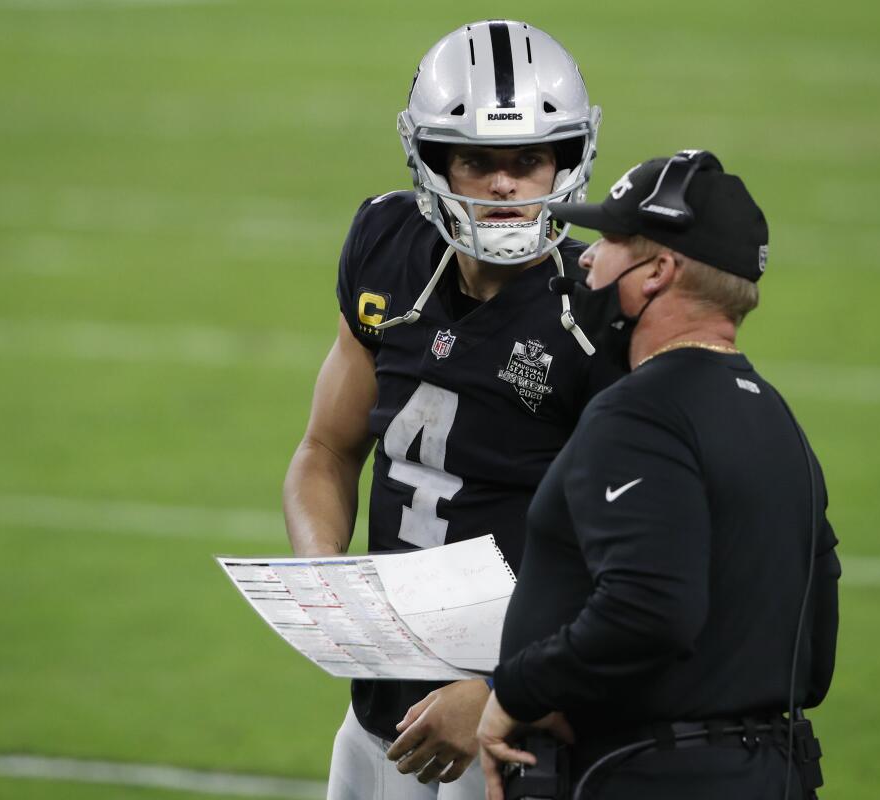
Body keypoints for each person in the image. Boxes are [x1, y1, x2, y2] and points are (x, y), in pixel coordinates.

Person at [282, 20, 616, 800]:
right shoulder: (386, 244)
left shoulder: (597, 312)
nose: (504, 185)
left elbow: (629, 571)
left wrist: (507, 688)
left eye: (529, 160)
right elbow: (325, 451)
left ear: (567, 160)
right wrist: (323, 576)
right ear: (431, 159)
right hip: (379, 719)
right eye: (477, 160)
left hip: (512, 738)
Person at [477, 150, 841, 800]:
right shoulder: (777, 419)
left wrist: (519, 688)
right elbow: (812, 657)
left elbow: (648, 608)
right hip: (774, 774)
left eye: (612, 242)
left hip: (650, 775)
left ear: (658, 274)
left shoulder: (636, 414)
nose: (586, 257)